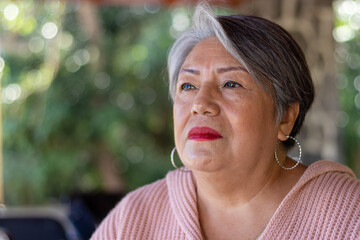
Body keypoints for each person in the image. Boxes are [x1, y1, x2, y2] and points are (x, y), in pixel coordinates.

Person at [91, 3, 360, 240]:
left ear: (285, 118)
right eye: (187, 86)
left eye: (231, 83)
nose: (200, 104)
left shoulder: (348, 216)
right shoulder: (132, 219)